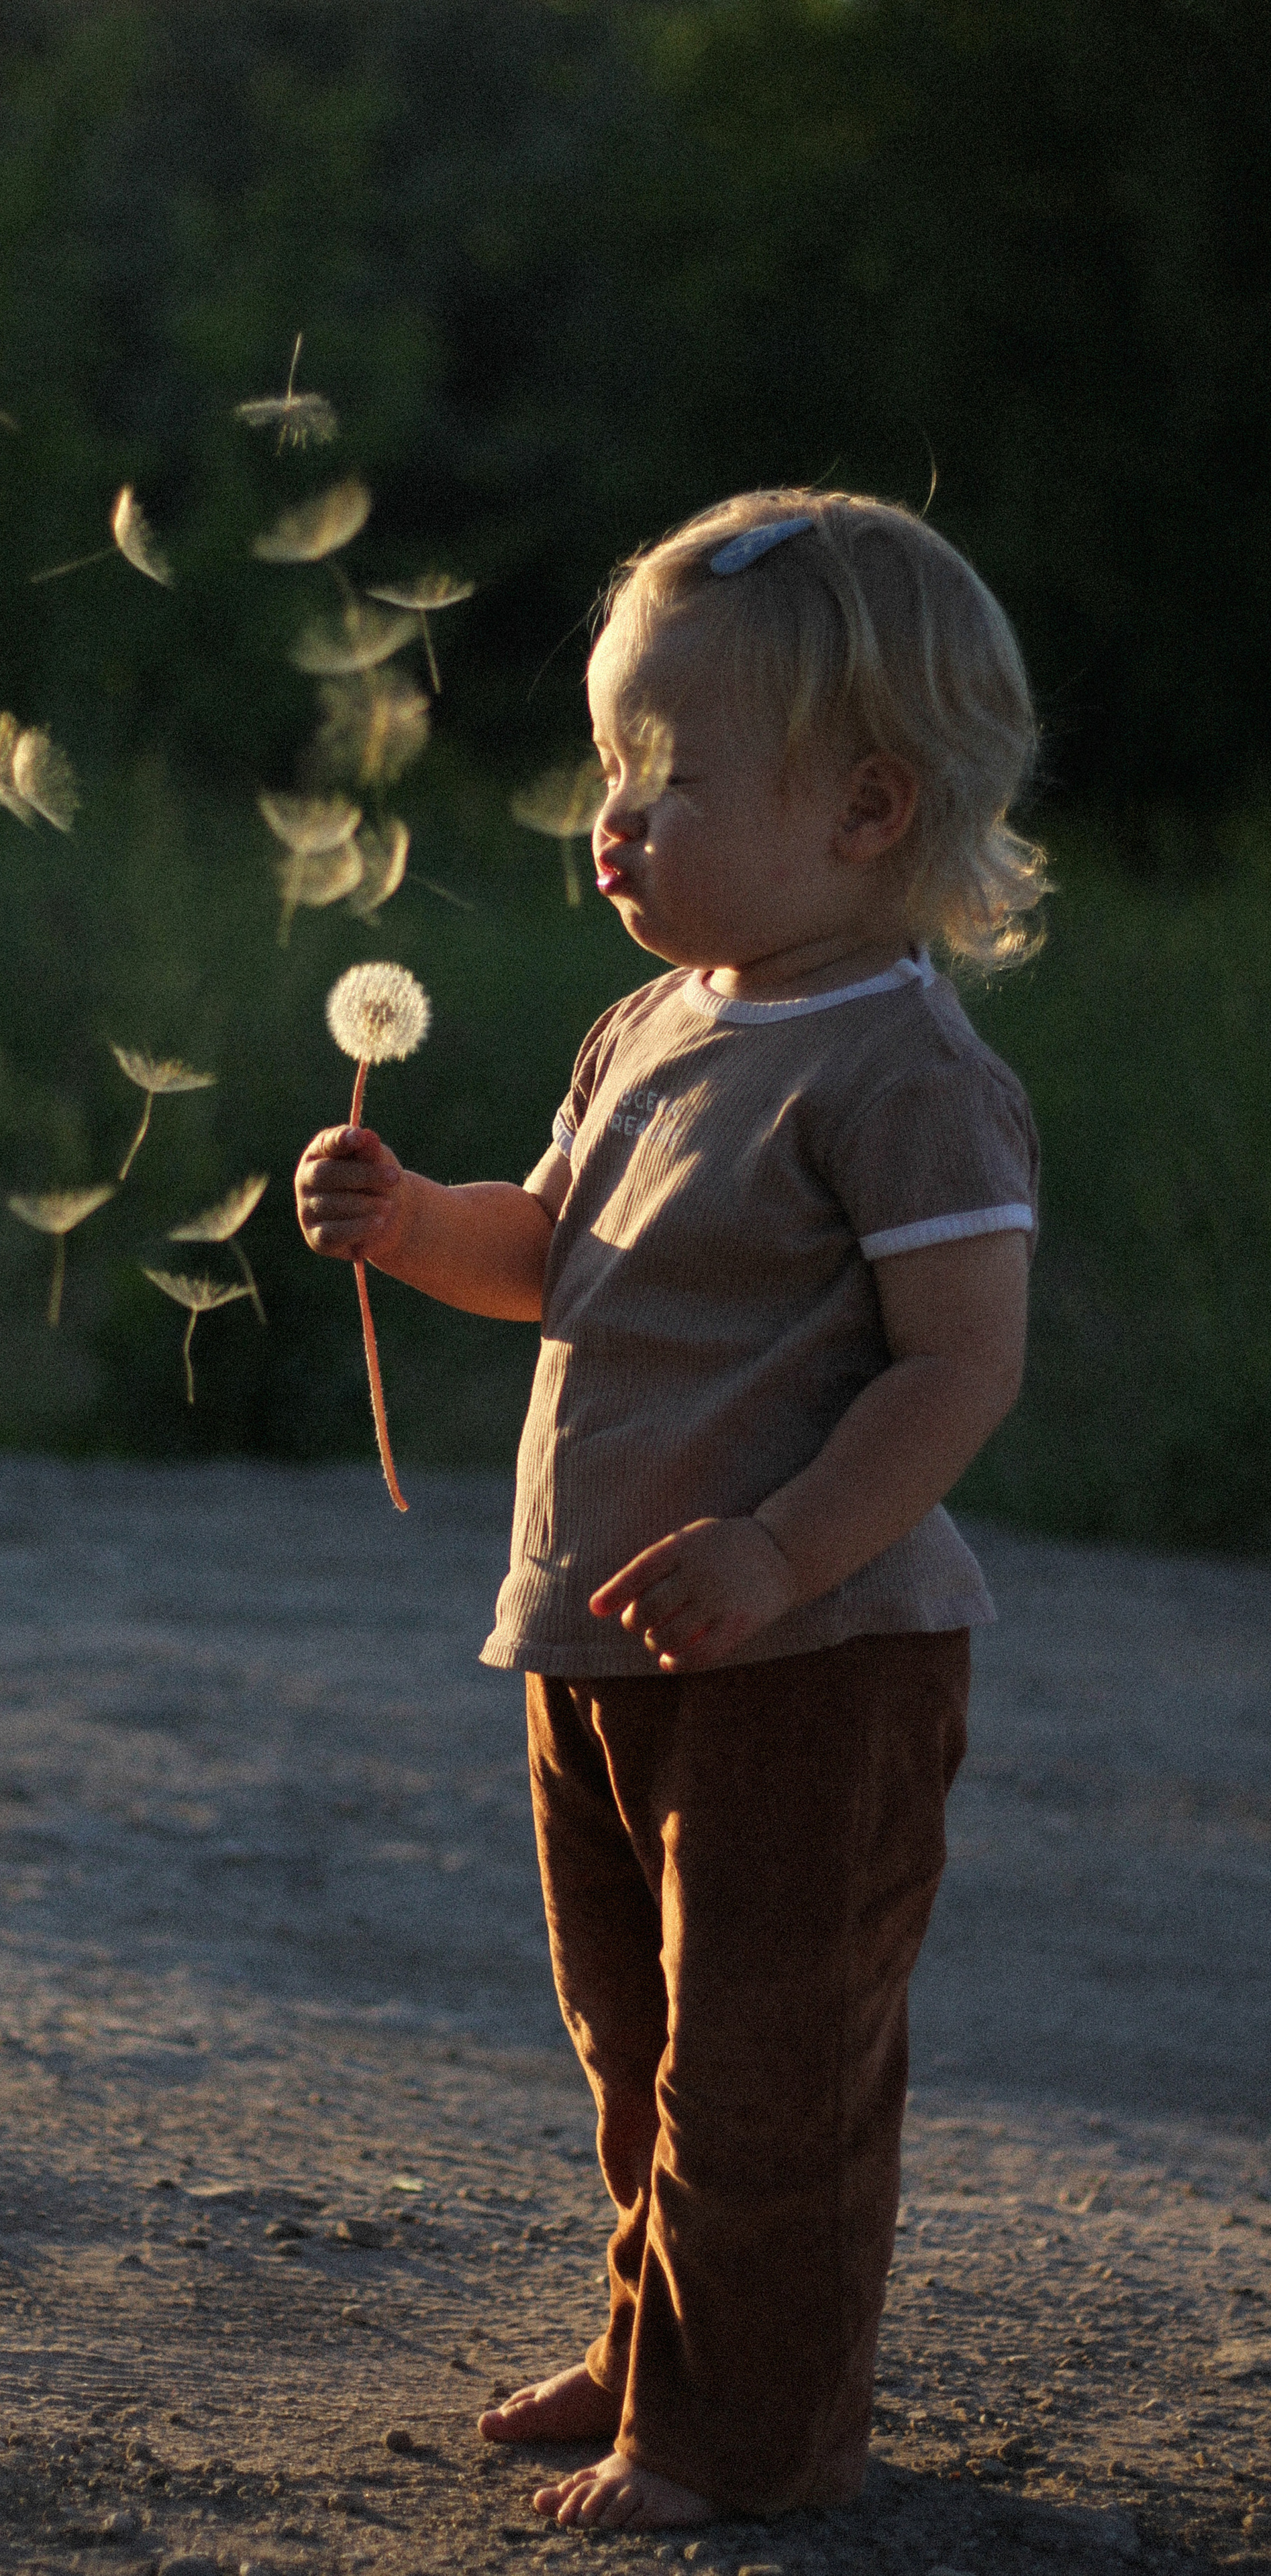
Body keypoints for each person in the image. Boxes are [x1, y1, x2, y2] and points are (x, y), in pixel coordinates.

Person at [294, 490, 1044, 2532]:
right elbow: (552, 1257)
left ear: (869, 811)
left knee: (765, 2062)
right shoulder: (649, 1025)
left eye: (676, 777)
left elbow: (956, 1362)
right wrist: (411, 1221)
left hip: (817, 1651)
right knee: (636, 2033)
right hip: (606, 1635)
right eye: (615, 768)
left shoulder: (904, 1072)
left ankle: (748, 2433)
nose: (615, 819)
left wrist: (789, 1544)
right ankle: (663, 2344)